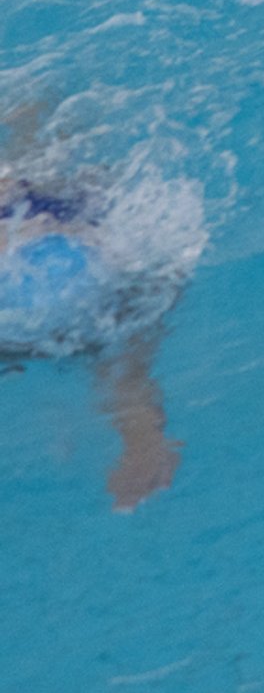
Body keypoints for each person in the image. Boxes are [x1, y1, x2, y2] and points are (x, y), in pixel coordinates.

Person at [2, 111, 187, 511]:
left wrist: (143, 438)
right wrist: (142, 438)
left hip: (74, 252)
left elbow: (130, 379)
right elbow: (129, 378)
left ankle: (35, 115)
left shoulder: (92, 288)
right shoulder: (103, 299)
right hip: (78, 255)